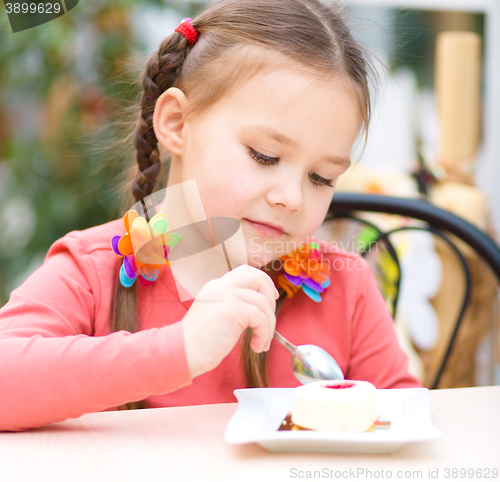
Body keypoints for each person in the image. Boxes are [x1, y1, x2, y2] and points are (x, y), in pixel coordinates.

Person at [0, 0, 420, 432]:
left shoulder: (344, 287)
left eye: (321, 177)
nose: (292, 197)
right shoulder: (92, 272)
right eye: (265, 155)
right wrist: (181, 348)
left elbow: (404, 422)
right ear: (178, 123)